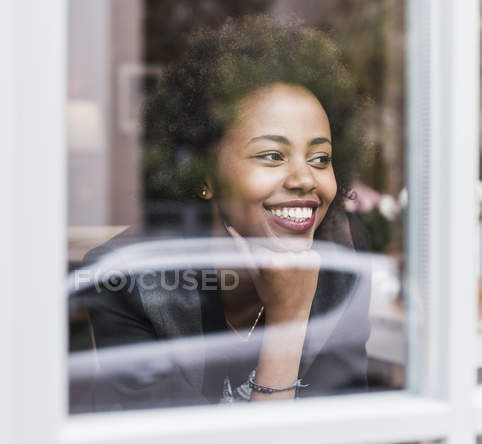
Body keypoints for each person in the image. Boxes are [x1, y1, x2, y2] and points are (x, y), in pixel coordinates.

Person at [71, 14, 371, 412]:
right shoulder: (128, 281)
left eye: (320, 158)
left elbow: (349, 428)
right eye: (271, 155)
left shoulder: (342, 257)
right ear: (206, 172)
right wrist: (287, 325)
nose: (304, 179)